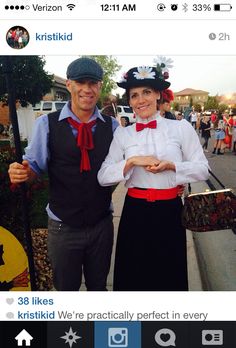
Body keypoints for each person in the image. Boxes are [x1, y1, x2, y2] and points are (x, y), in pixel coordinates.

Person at [8, 57, 119, 291]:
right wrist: (22, 172)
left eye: (93, 83)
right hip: (63, 226)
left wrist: (168, 178)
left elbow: (128, 164)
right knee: (65, 290)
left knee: (99, 288)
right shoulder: (46, 125)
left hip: (101, 225)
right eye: (81, 82)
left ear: (100, 87)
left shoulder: (113, 127)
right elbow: (34, 168)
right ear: (69, 85)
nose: (87, 89)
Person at [98, 65, 209, 291]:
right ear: (129, 101)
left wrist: (173, 167)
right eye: (134, 95)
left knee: (169, 278)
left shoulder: (181, 128)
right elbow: (103, 176)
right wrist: (130, 162)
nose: (141, 100)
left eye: (147, 92)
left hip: (170, 212)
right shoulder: (123, 134)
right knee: (133, 279)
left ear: (158, 94)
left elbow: (203, 169)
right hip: (135, 212)